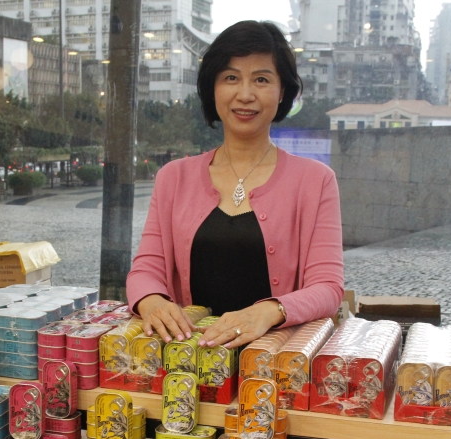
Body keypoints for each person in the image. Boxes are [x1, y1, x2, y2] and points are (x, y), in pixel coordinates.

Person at [126, 21, 344, 349]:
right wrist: (152, 300)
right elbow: (145, 269)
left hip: (273, 363)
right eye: (231, 78)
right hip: (189, 362)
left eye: (261, 79)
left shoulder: (315, 180)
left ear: (282, 91)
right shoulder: (173, 177)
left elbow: (328, 287)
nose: (245, 94)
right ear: (212, 87)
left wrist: (269, 311)